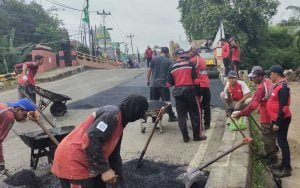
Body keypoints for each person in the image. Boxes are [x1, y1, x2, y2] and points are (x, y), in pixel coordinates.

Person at [51, 95, 149, 188]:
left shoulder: (120, 123)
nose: (138, 118)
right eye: (139, 116)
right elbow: (91, 139)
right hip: (73, 160)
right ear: (135, 112)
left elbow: (114, 156)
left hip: (90, 160)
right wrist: (104, 170)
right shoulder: (111, 115)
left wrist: (120, 183)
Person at [231, 66, 278, 164]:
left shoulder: (261, 87)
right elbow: (255, 100)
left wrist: (241, 113)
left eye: (254, 77)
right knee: (270, 135)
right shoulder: (267, 81)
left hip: (267, 114)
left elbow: (253, 104)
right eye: (252, 77)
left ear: (260, 76)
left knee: (267, 136)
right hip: (270, 112)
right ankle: (272, 152)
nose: (252, 79)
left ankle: (272, 157)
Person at [167, 48, 206, 142]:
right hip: (190, 91)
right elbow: (196, 81)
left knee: (181, 116)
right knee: (195, 114)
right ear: (183, 55)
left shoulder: (172, 67)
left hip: (178, 93)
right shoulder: (190, 64)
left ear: (176, 56)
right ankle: (196, 136)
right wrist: (200, 94)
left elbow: (169, 84)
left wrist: (177, 79)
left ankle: (185, 137)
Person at [266, 65, 292, 178]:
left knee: (283, 144)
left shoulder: (283, 87)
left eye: (270, 73)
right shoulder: (277, 86)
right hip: (277, 119)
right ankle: (283, 164)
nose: (269, 76)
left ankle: (287, 169)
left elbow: (284, 107)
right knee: (281, 142)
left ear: (276, 74)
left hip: (282, 120)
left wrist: (277, 122)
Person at [0, 98, 37, 171]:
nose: (25, 118)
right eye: (25, 115)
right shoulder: (9, 116)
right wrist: (1, 163)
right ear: (19, 109)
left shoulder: (5, 107)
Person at [147, 47, 177, 122]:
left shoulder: (154, 59)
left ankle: (154, 119)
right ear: (167, 53)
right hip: (164, 85)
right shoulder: (169, 61)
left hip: (154, 84)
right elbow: (172, 74)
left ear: (161, 52)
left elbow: (149, 70)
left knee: (154, 102)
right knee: (167, 102)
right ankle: (171, 116)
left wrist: (148, 80)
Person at [188, 47, 211, 129]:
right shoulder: (202, 59)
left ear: (192, 52)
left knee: (198, 106)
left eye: (189, 52)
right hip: (206, 84)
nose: (188, 53)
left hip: (198, 85)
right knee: (207, 105)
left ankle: (199, 124)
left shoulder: (193, 61)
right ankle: (207, 124)